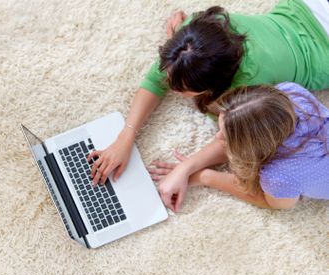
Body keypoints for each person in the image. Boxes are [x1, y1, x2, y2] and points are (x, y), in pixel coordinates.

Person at [87, 0, 329, 189]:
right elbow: (154, 80)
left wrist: (187, 168)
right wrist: (125, 137)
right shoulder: (196, 30)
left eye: (180, 88)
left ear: (215, 87)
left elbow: (237, 139)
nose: (169, 87)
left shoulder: (247, 85)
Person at [149, 82, 329, 210]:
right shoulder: (291, 93)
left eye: (225, 137)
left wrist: (204, 176)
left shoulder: (279, 177)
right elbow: (244, 130)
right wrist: (186, 167)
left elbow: (273, 203)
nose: (217, 137)